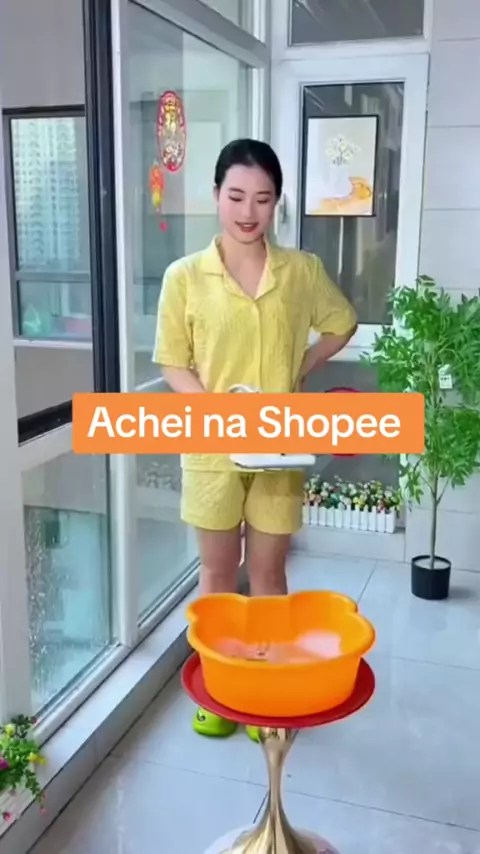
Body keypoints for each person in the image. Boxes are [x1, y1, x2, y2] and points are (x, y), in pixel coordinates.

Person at [153, 138, 357, 740]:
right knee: (218, 574)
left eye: (263, 199)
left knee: (268, 575)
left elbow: (342, 323)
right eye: (236, 196)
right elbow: (173, 362)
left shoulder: (302, 272)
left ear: (277, 202)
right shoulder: (185, 276)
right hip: (212, 449)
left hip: (278, 447)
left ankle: (265, 688)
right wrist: (216, 414)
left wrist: (301, 367)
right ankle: (220, 689)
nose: (248, 211)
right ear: (216, 195)